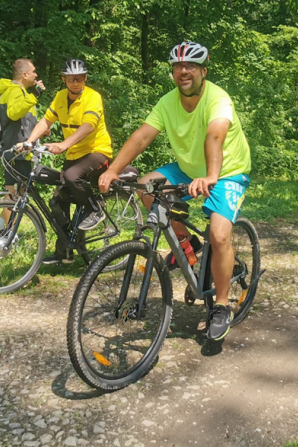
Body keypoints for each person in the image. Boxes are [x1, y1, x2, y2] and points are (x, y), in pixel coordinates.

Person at [98, 41, 251, 341]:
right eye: (178, 66)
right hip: (188, 167)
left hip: (227, 171)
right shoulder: (168, 102)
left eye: (190, 66)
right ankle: (188, 245)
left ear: (203, 71)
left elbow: (215, 136)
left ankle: (220, 306)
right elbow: (142, 136)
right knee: (146, 188)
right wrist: (113, 169)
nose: (183, 71)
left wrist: (210, 176)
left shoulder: (218, 98)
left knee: (220, 235)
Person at [22, 58, 114, 263]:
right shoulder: (60, 97)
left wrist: (64, 144)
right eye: (71, 79)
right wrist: (29, 141)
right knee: (57, 201)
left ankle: (95, 209)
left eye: (80, 78)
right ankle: (64, 250)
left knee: (73, 176)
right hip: (74, 154)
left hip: (96, 151)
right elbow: (46, 120)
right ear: (64, 79)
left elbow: (89, 126)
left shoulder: (93, 97)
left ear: (85, 78)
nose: (76, 82)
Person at [0, 58, 45, 237]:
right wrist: (34, 95)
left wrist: (41, 131)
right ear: (25, 74)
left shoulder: (15, 91)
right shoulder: (15, 91)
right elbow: (14, 113)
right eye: (34, 71)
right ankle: (6, 232)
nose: (36, 75)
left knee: (14, 192)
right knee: (17, 193)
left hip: (15, 148)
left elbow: (23, 120)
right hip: (16, 150)